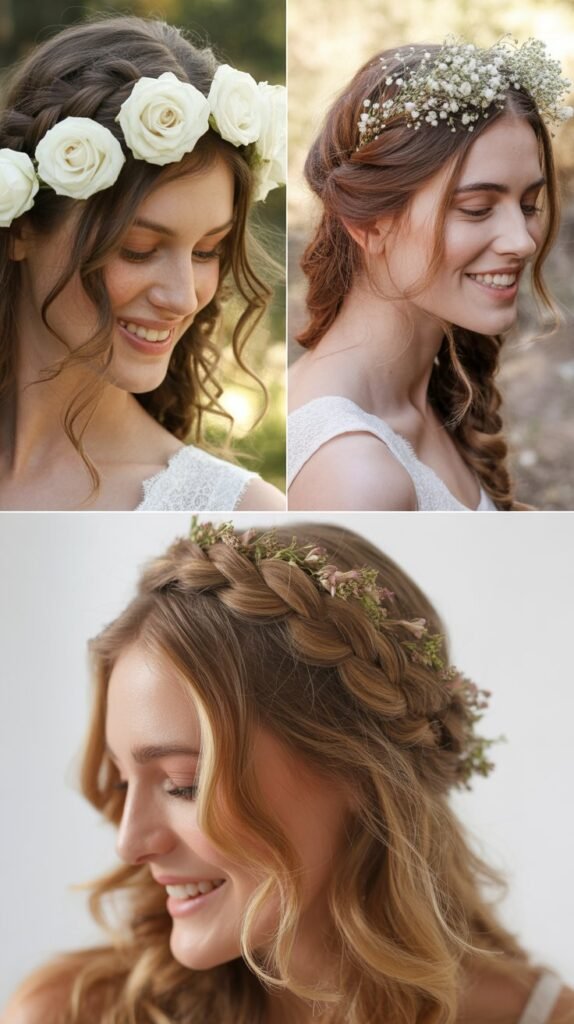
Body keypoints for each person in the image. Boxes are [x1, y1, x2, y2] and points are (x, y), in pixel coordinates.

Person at [3, 517, 573, 1024]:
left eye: (184, 785)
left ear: (358, 768)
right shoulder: (70, 1013)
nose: (130, 844)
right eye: (125, 782)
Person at [0, 16, 286, 510]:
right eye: (137, 248)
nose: (182, 297)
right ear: (22, 228)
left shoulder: (235, 513)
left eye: (206, 251)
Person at [288, 39, 572, 511]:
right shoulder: (354, 474)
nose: (522, 241)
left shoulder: (428, 397)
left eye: (528, 205)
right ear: (369, 223)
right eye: (477, 208)